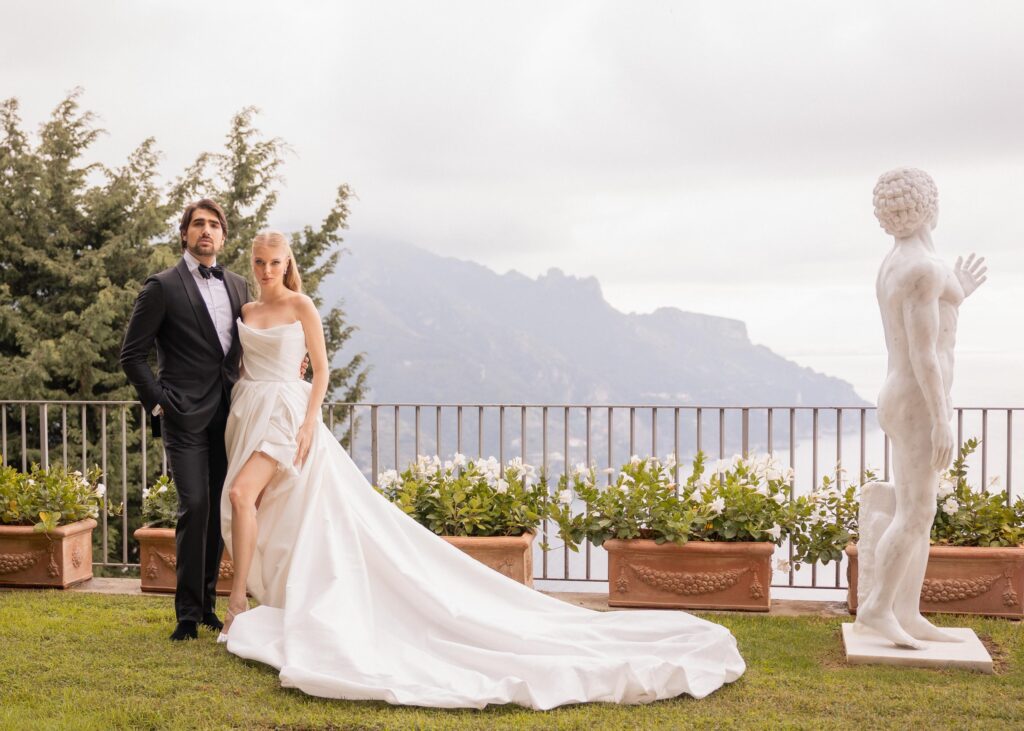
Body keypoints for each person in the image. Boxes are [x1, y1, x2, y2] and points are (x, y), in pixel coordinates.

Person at [217, 230, 745, 710]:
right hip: (250, 409)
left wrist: (309, 423)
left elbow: (322, 369)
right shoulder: (243, 309)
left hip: (287, 414)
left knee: (243, 496)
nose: (265, 271)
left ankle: (238, 600)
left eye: (274, 262)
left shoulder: (300, 304)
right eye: (259, 262)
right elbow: (242, 365)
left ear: (288, 264)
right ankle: (276, 598)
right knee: (278, 511)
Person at [854, 168, 987, 648]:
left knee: (919, 513)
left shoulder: (904, 261)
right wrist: (943, 418)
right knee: (914, 511)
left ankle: (906, 612)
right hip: (916, 401)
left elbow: (936, 303)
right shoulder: (922, 268)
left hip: (902, 395)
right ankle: (876, 608)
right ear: (931, 204)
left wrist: (961, 292)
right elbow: (923, 352)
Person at [121, 199, 249, 641]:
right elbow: (131, 354)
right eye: (198, 224)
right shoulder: (162, 286)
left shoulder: (237, 285)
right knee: (194, 504)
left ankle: (209, 605)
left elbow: (249, 346)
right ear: (184, 233)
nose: (206, 232)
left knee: (219, 508)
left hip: (230, 414)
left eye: (214, 225)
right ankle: (186, 614)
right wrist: (159, 403)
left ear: (224, 236)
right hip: (182, 415)